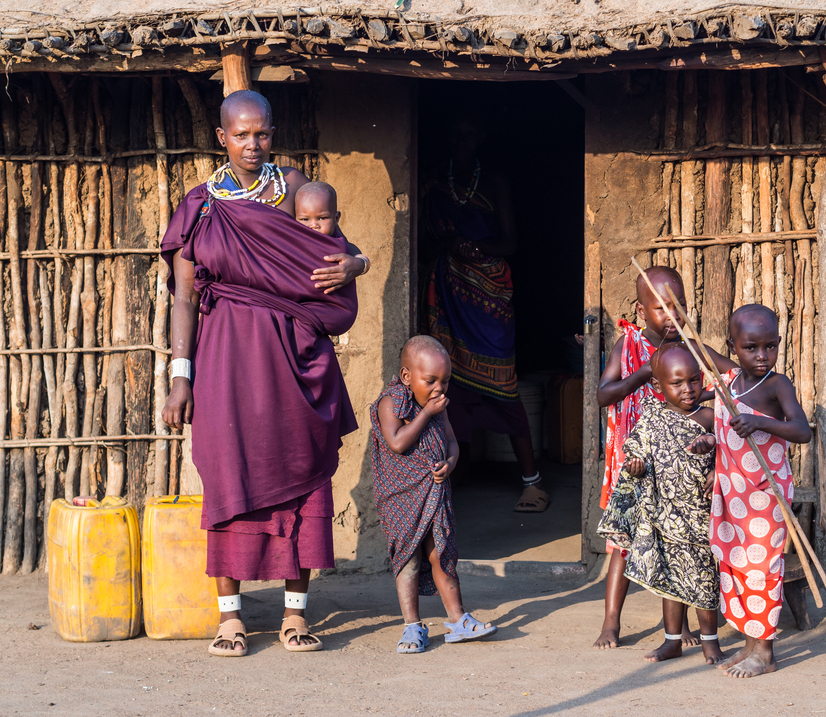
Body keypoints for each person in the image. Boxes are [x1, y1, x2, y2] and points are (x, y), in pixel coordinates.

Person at [161, 90, 367, 657]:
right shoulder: (200, 207)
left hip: (295, 359)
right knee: (228, 472)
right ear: (222, 137)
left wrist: (358, 263)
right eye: (242, 134)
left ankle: (295, 614)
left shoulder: (297, 187)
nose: (254, 145)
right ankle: (230, 618)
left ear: (273, 133)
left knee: (301, 470)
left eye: (264, 133)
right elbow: (182, 297)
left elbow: (338, 248)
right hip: (225, 357)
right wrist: (182, 375)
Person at [594, 266, 730, 649]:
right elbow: (604, 395)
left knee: (678, 540)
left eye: (680, 306)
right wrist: (643, 374)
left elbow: (731, 375)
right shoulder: (629, 345)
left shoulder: (692, 348)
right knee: (625, 541)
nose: (672, 316)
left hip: (681, 468)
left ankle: (677, 628)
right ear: (641, 310)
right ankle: (611, 623)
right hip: (638, 460)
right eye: (661, 308)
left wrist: (703, 396)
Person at [420, 117, 547, 513]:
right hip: (447, 292)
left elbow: (510, 241)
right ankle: (458, 472)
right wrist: (451, 244)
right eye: (456, 133)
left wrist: (475, 249)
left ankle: (532, 482)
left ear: (481, 137)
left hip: (489, 295)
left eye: (469, 133)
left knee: (503, 385)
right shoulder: (434, 181)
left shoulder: (493, 181)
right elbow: (424, 236)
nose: (461, 139)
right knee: (449, 386)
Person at [370, 335, 498, 653]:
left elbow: (452, 443)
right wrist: (426, 413)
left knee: (441, 554)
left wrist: (450, 464)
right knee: (409, 560)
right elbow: (397, 442)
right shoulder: (391, 403)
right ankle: (412, 627)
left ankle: (457, 620)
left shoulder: (437, 407)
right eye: (431, 380)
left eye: (446, 381)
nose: (439, 388)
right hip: (401, 500)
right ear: (406, 376)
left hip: (433, 493)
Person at [710, 305, 811, 678]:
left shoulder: (776, 384)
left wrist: (756, 421)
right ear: (733, 346)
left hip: (765, 494)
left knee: (761, 569)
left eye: (770, 347)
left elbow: (802, 431)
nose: (761, 356)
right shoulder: (729, 381)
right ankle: (750, 645)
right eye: (751, 347)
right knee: (737, 567)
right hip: (731, 493)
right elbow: (697, 349)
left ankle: (765, 653)